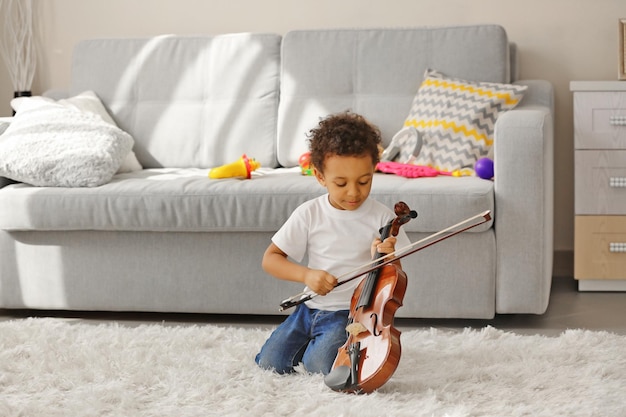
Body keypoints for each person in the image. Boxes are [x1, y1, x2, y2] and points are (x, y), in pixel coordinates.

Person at [255, 111, 411, 375]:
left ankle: (329, 345)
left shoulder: (383, 218)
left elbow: (396, 273)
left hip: (349, 316)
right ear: (320, 177)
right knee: (269, 363)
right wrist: (306, 274)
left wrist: (383, 257)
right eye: (341, 183)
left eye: (364, 181)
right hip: (307, 308)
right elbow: (270, 259)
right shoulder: (309, 213)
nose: (354, 192)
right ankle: (311, 341)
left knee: (320, 365)